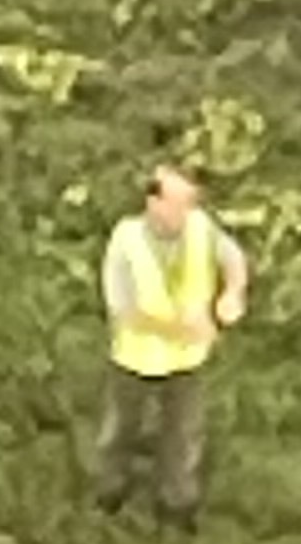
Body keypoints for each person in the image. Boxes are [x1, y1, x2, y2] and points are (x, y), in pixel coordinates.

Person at [95, 164, 249, 525]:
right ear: (153, 202)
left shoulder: (200, 228)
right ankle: (110, 492)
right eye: (178, 203)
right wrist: (183, 329)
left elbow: (233, 258)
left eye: (190, 202)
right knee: (120, 429)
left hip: (186, 362)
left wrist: (233, 293)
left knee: (183, 435)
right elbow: (125, 311)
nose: (186, 212)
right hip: (135, 360)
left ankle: (177, 506)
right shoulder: (126, 241)